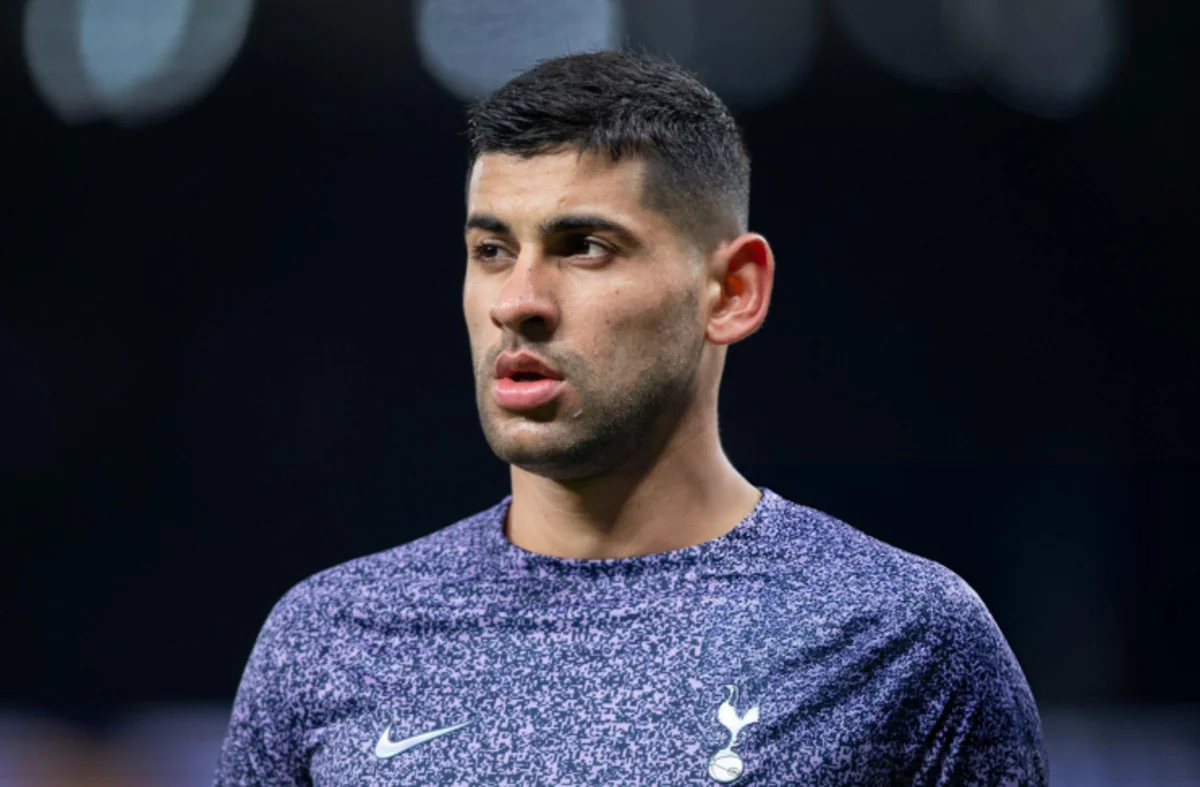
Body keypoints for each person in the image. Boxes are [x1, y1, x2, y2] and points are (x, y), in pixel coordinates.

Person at [213, 51, 1047, 786]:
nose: (518, 301)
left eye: (584, 246)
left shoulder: (902, 641)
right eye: (491, 250)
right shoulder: (331, 638)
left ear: (732, 291)